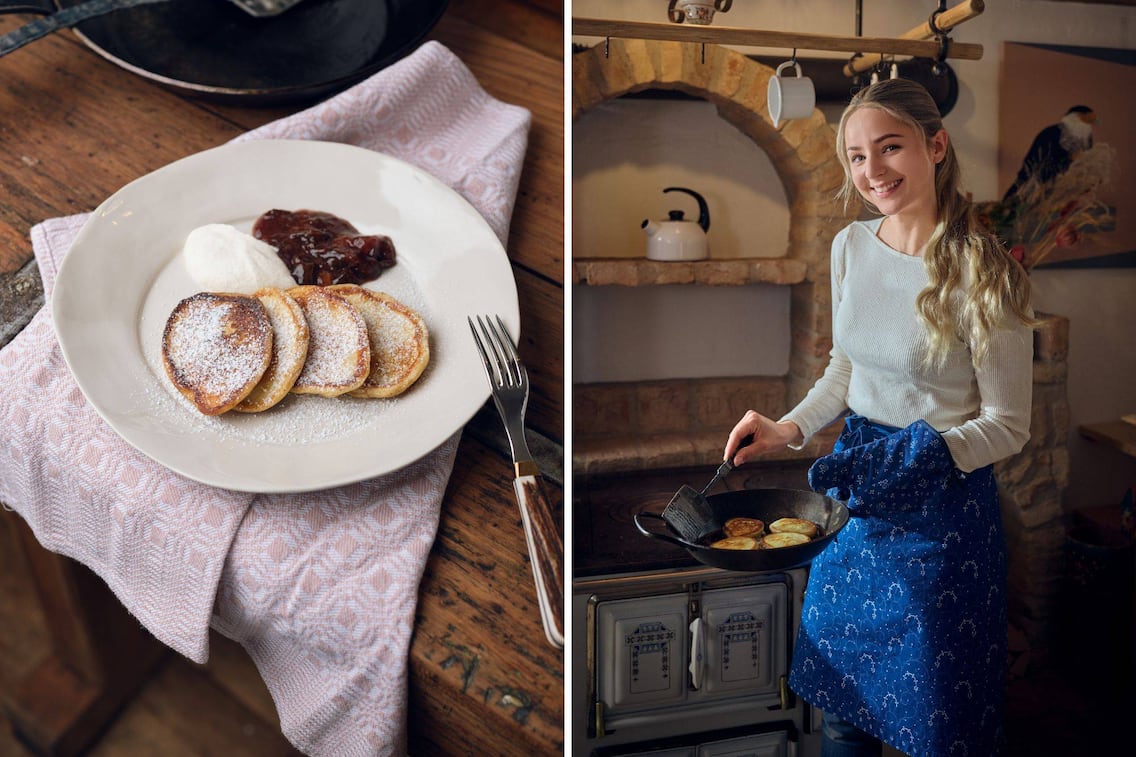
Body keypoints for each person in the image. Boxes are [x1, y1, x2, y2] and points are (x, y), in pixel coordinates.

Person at [724, 79, 1035, 756]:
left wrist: (923, 455)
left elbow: (1010, 424)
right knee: (845, 708)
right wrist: (788, 427)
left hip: (942, 515)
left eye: (890, 148)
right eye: (858, 157)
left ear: (936, 146)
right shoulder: (851, 247)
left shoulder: (987, 272)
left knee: (938, 723)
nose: (873, 172)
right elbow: (845, 368)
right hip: (857, 501)